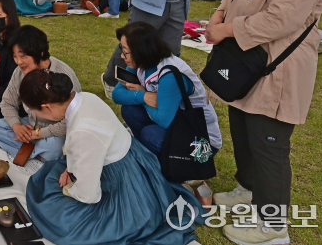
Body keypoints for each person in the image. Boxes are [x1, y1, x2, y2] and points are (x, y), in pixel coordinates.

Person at [205, 0, 322, 245]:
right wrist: (218, 14)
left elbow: (281, 19)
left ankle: (273, 227)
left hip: (277, 68)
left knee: (268, 143)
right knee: (244, 130)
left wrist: (226, 29)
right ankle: (248, 189)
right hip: (251, 62)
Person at [23, 70, 205, 245]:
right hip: (136, 161)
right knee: (51, 176)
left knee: (57, 214)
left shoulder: (83, 131)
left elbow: (88, 195)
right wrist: (70, 171)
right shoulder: (85, 97)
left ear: (46, 107)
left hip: (123, 185)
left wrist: (70, 188)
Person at [112, 22, 222, 155]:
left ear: (140, 51)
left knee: (151, 135)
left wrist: (142, 96)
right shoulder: (142, 62)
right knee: (130, 110)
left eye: (125, 51)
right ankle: (147, 156)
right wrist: (144, 96)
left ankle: (169, 164)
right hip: (178, 123)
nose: (122, 56)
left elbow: (164, 121)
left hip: (203, 142)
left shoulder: (170, 74)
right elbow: (116, 94)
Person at [0, 25, 82, 166]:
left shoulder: (63, 74)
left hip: (55, 133)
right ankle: (37, 155)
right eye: (15, 56)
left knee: (55, 147)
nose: (18, 62)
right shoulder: (20, 72)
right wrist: (17, 127)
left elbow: (73, 119)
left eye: (23, 56)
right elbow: (7, 103)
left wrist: (39, 134)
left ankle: (28, 152)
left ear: (40, 52)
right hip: (30, 126)